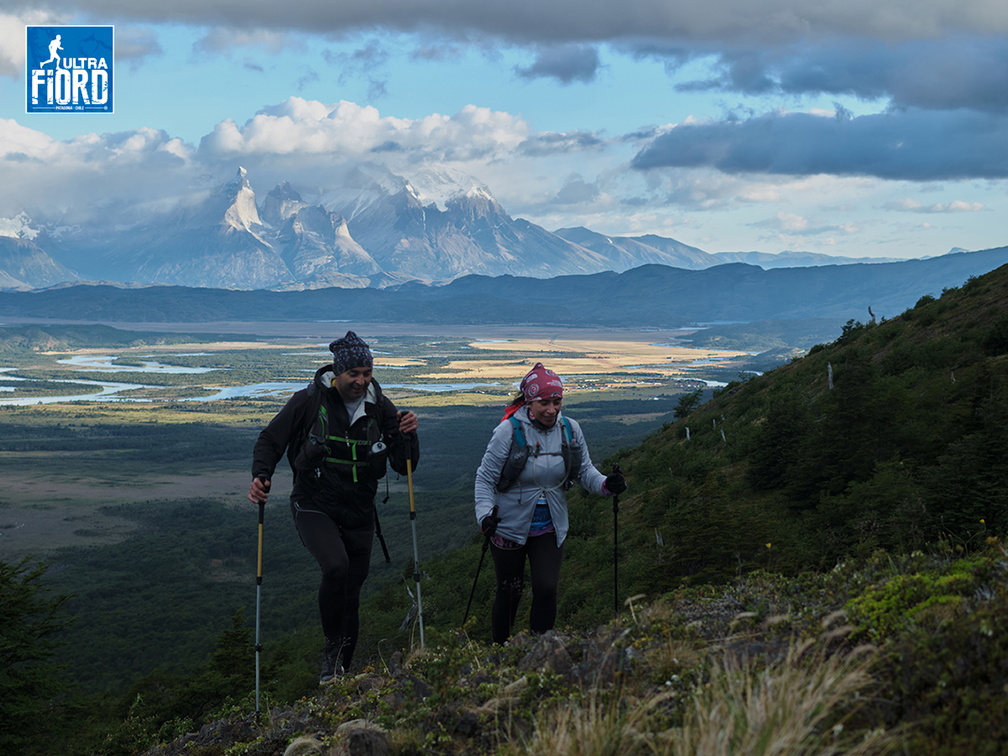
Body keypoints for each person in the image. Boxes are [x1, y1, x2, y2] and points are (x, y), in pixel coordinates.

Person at [248, 331, 419, 682]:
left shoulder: (381, 407)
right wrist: (261, 475)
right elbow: (270, 439)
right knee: (336, 567)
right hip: (313, 502)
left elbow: (404, 467)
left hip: (359, 510)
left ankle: (341, 669)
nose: (360, 381)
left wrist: (408, 434)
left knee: (352, 590)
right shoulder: (309, 402)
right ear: (337, 373)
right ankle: (331, 654)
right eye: (353, 373)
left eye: (366, 373)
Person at [474, 362, 626, 644]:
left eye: (557, 402)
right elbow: (485, 479)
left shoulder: (570, 429)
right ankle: (500, 651)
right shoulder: (508, 431)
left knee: (546, 588)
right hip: (507, 525)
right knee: (510, 591)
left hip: (550, 525)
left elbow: (583, 471)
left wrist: (607, 484)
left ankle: (540, 650)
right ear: (529, 401)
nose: (552, 409)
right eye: (544, 402)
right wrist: (484, 516)